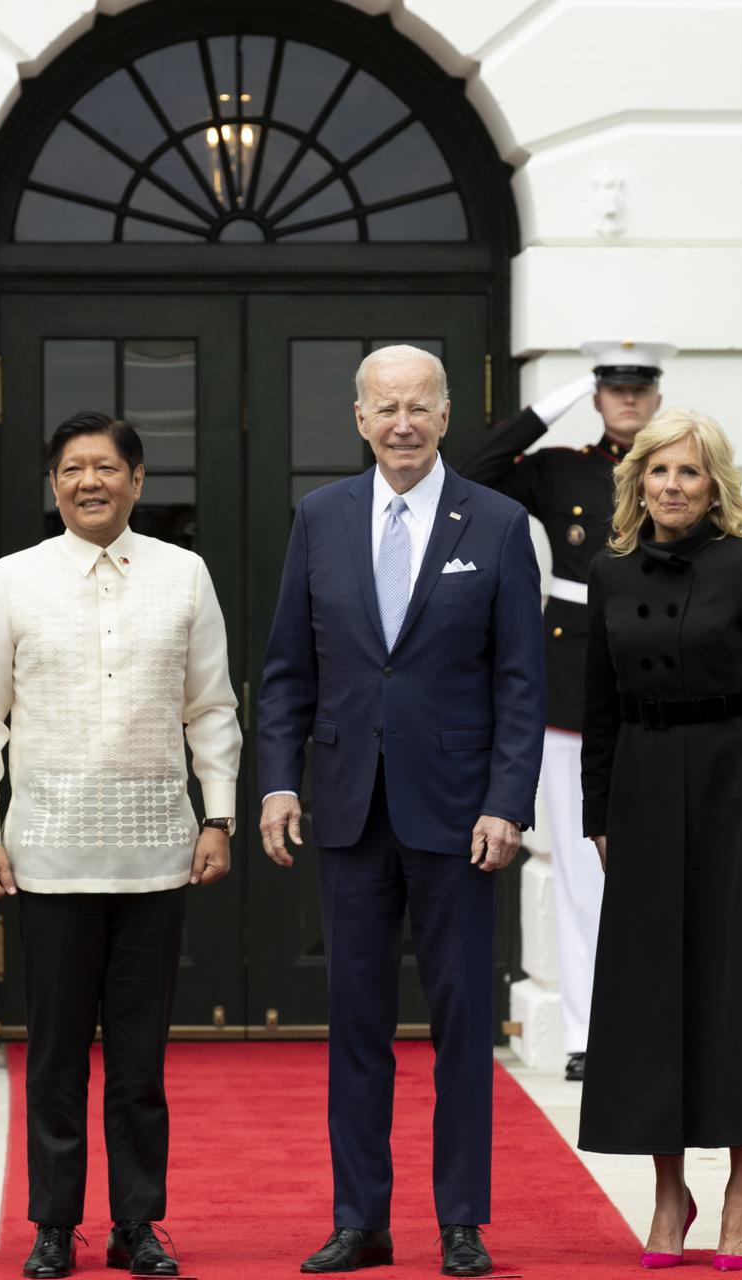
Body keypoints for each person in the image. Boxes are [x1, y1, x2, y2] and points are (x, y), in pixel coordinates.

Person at [258, 346, 546, 1278]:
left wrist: (509, 801)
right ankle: (361, 1219)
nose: (403, 424)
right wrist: (277, 780)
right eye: (385, 408)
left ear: (446, 415)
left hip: (461, 818)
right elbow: (287, 672)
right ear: (358, 419)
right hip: (348, 813)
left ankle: (461, 1218)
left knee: (463, 1021)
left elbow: (519, 682)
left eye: (419, 406)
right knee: (356, 1024)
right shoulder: (320, 518)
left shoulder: (498, 523)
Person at [0, 413, 241, 1280]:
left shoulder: (185, 575)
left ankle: (137, 1223)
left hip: (158, 850)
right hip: (44, 852)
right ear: (55, 485)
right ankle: (54, 1224)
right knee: (51, 1057)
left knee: (139, 1060)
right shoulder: (11, 580)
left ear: (137, 480)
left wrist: (219, 814)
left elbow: (212, 707)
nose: (92, 482)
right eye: (74, 469)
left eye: (108, 468)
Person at [577, 409, 742, 1272]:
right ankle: (665, 1192)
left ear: (714, 484)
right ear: (637, 482)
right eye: (659, 473)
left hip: (738, 789)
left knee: (735, 986)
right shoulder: (609, 575)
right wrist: (599, 813)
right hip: (647, 790)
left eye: (690, 473)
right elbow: (599, 706)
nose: (674, 487)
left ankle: (739, 1189)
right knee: (655, 994)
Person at [460, 337, 676, 1082]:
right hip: (573, 684)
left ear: (656, 395)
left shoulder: (677, 468)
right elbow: (475, 478)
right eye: (612, 387)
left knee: (661, 869)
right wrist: (545, 404)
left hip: (663, 680)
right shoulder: (559, 469)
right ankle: (591, 1033)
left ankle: (660, 1024)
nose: (627, 399)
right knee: (584, 874)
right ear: (597, 396)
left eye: (639, 388)